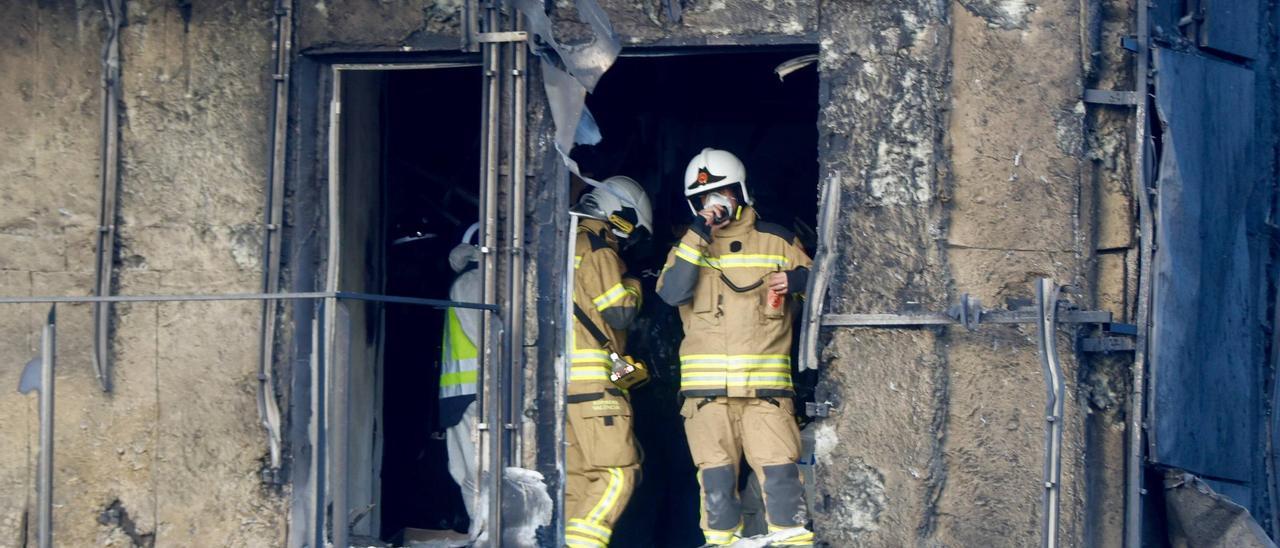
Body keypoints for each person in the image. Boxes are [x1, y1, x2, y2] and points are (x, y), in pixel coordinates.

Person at [657, 148, 814, 547]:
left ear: (741, 192)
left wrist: (796, 282)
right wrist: (699, 230)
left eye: (723, 193)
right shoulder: (688, 249)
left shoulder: (777, 240)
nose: (715, 203)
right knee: (716, 485)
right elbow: (673, 292)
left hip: (767, 396)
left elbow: (828, 285)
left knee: (781, 481)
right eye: (705, 198)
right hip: (707, 400)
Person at [565, 176, 653, 548]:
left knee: (578, 481)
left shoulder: (563, 245)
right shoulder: (600, 250)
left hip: (564, 389)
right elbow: (619, 313)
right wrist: (635, 283)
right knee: (619, 471)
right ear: (618, 214)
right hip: (595, 389)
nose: (628, 241)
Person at [439, 224, 483, 539]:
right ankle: (483, 534)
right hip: (476, 394)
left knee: (469, 475)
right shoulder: (475, 282)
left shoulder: (464, 280)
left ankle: (479, 533)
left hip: (461, 396)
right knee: (478, 476)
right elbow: (489, 338)